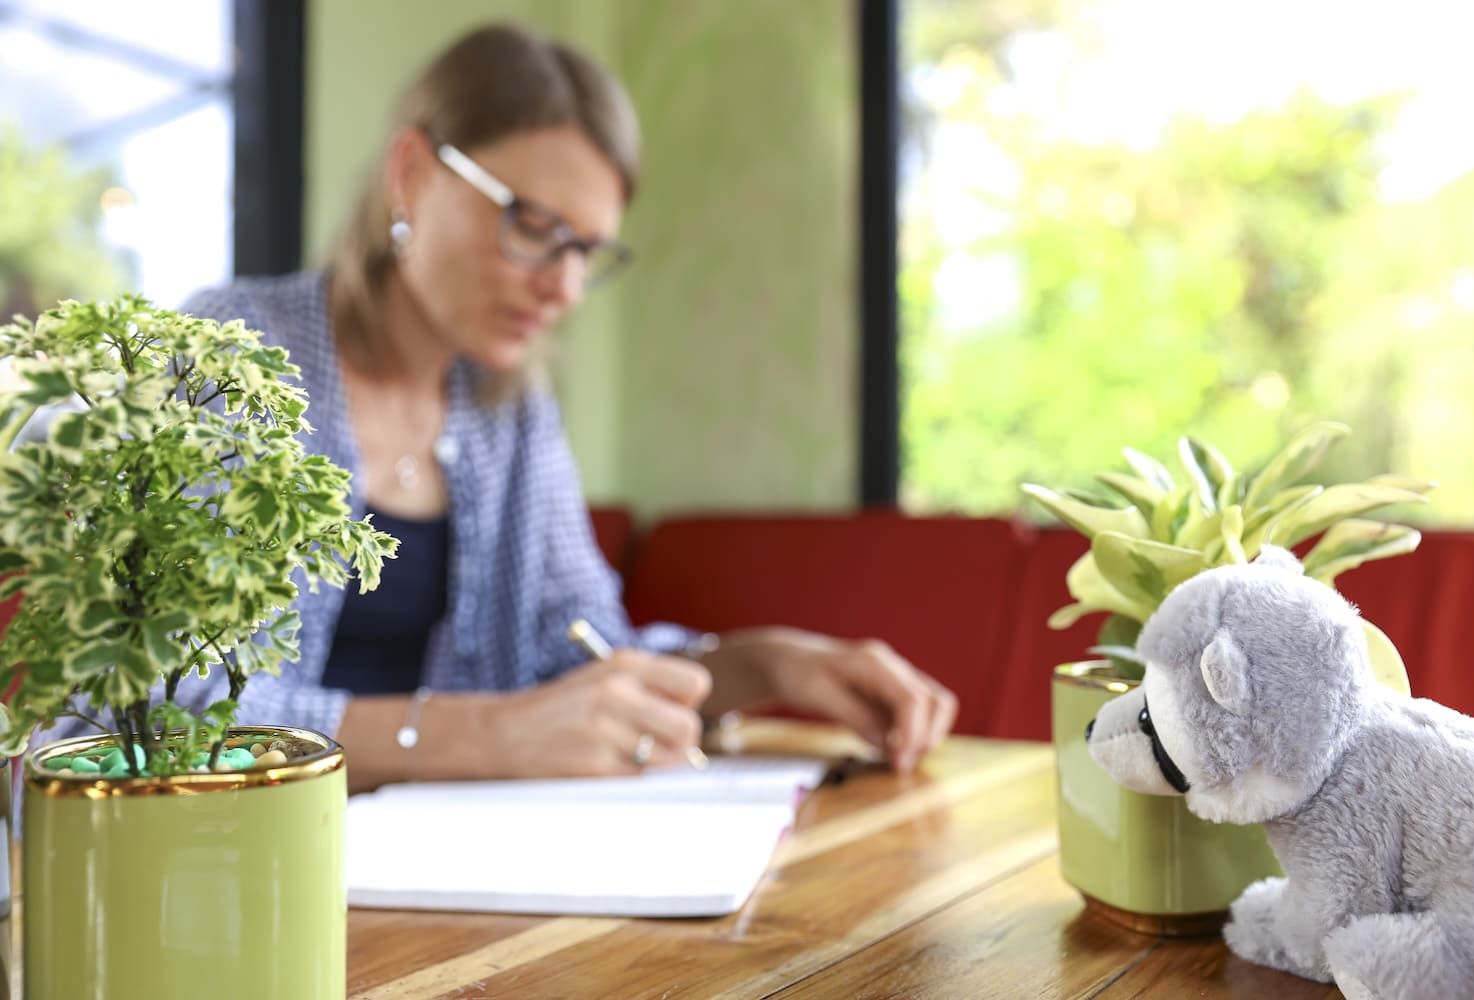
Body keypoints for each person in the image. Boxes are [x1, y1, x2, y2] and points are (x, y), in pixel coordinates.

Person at [178, 23, 956, 792]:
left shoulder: (512, 410)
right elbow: (173, 712)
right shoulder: (232, 357)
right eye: (534, 227)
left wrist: (767, 664)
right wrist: (491, 735)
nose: (566, 287)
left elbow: (589, 653)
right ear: (411, 174)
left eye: (586, 250)